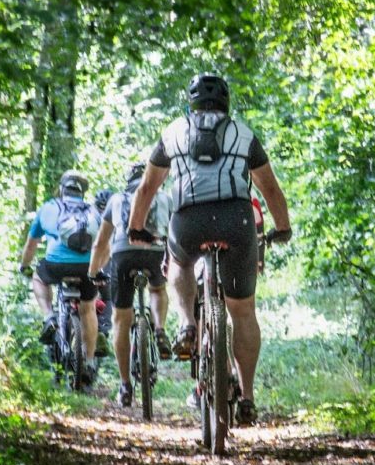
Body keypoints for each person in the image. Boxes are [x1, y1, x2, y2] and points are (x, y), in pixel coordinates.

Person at [127, 73, 291, 425]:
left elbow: (145, 190)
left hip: (189, 221)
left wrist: (135, 228)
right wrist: (282, 227)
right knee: (243, 311)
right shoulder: (243, 133)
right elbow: (271, 191)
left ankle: (187, 324)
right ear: (226, 103)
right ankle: (247, 397)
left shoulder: (173, 132)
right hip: (237, 219)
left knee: (180, 264)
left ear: (191, 103)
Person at [89, 162, 174, 407]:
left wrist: (94, 272)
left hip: (123, 255)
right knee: (158, 289)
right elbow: (175, 232)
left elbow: (100, 243)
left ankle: (125, 385)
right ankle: (159, 330)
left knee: (120, 319)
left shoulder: (116, 200)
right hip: (156, 252)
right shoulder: (165, 198)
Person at [19, 170, 101, 386]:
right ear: (83, 192)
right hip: (86, 268)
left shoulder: (49, 207)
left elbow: (31, 244)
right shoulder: (92, 211)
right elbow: (103, 243)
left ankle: (49, 317)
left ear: (62, 188)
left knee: (39, 277)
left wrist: (24, 266)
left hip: (55, 264)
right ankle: (90, 361)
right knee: (88, 308)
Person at [93, 188, 115, 357]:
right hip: (107, 268)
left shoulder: (88, 216)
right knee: (107, 297)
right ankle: (103, 330)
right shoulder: (116, 217)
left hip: (85, 264)